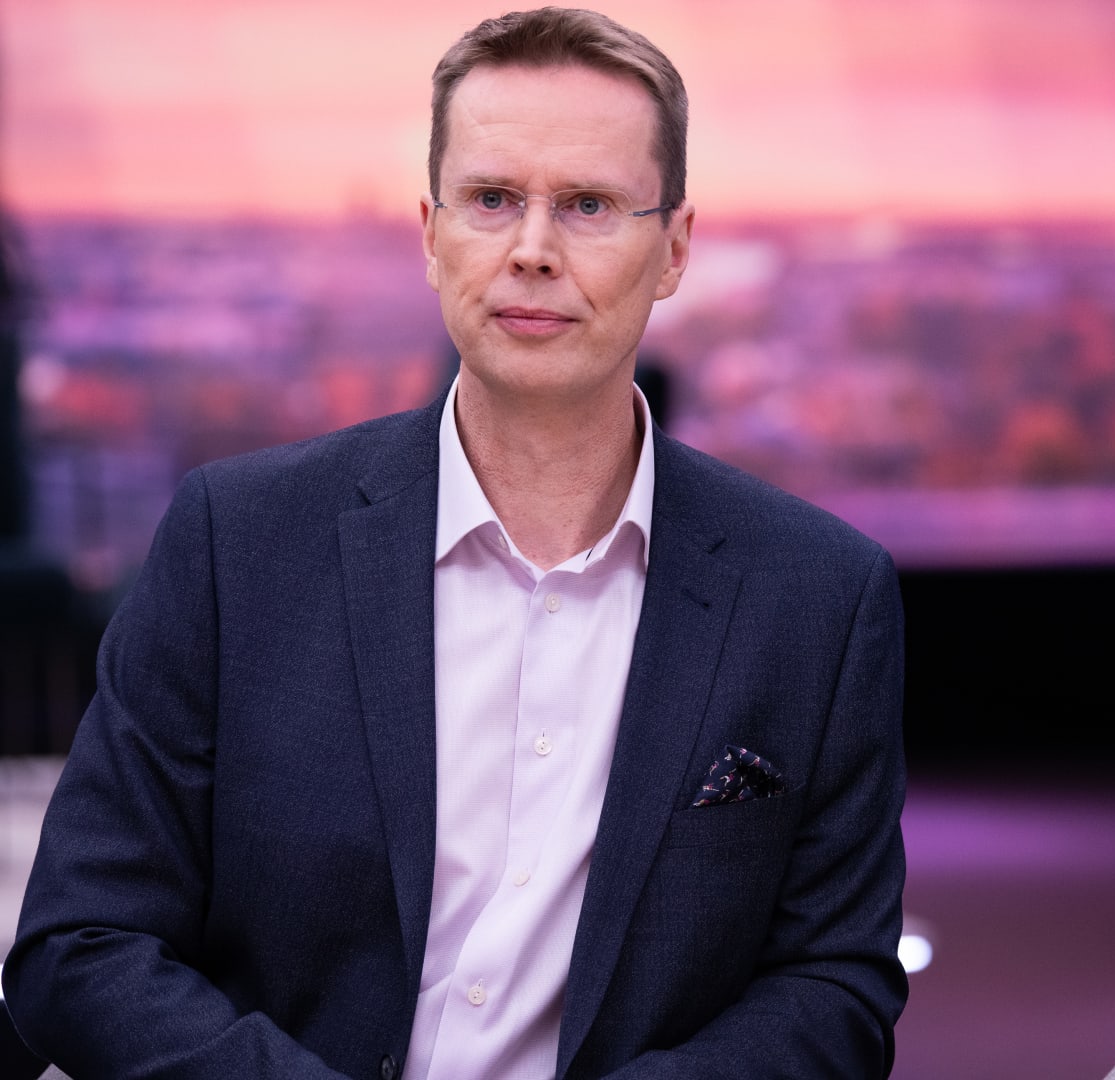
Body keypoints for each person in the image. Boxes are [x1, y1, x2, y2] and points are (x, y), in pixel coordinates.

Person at [3, 8, 908, 1079]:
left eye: (589, 205)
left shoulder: (820, 597)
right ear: (431, 235)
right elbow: (80, 944)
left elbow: (834, 988)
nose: (532, 250)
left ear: (673, 249)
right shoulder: (233, 545)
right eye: (491, 200)